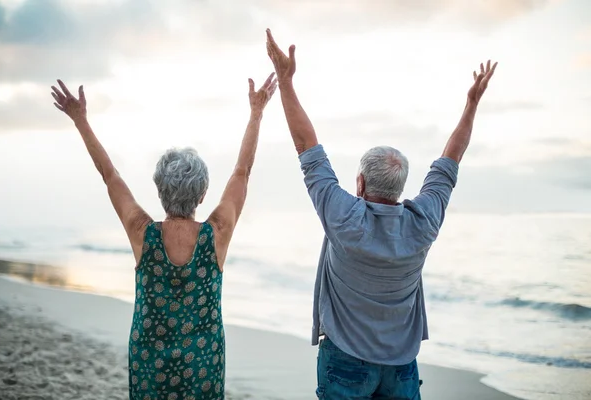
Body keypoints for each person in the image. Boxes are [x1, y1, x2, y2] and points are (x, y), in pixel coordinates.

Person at [265, 28, 497, 400]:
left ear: (359, 183)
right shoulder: (423, 222)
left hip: (344, 359)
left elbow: (305, 146)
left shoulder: (342, 216)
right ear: (402, 187)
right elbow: (450, 161)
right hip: (400, 364)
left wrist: (287, 82)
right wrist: (471, 104)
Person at [50, 73, 278, 399]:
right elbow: (242, 171)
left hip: (149, 358)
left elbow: (109, 175)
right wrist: (257, 112)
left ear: (159, 191)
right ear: (202, 196)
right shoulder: (217, 234)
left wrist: (80, 120)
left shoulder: (142, 233)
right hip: (203, 359)